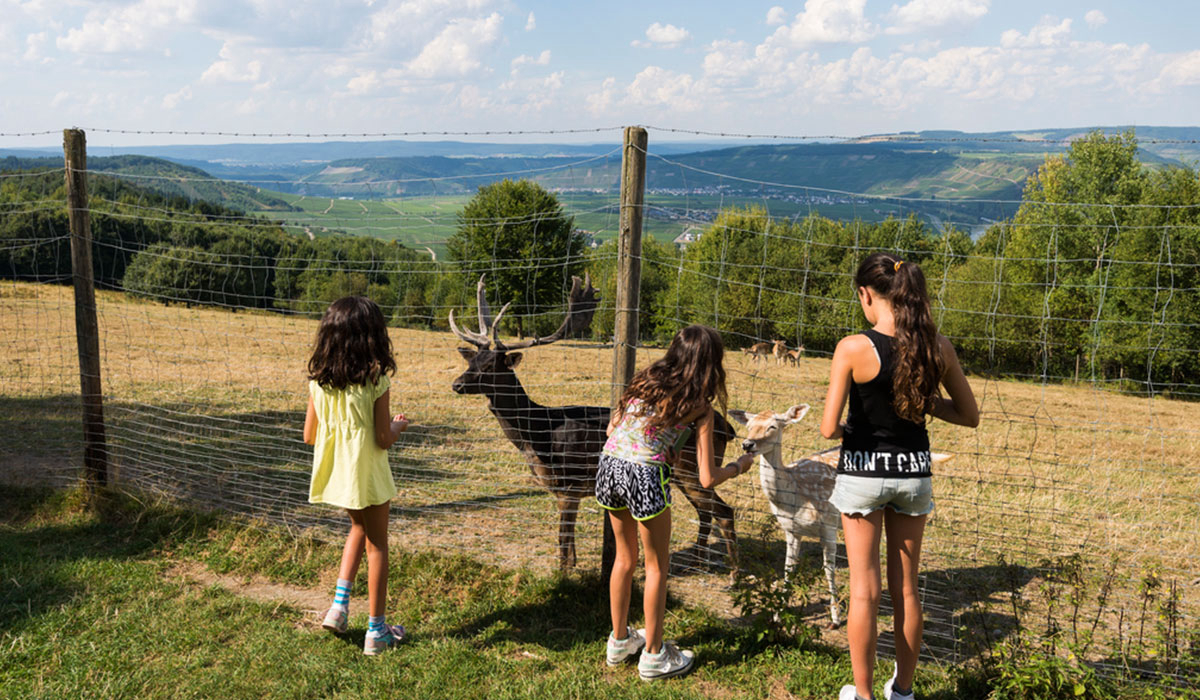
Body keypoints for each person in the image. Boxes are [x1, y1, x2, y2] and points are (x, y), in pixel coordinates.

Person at [820, 254, 979, 700]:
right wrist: (927, 404)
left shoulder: (853, 347)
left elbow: (830, 427)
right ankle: (904, 692)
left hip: (862, 475)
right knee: (906, 589)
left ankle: (865, 694)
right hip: (913, 474)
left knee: (863, 591)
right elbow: (969, 416)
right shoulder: (936, 346)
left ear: (867, 295)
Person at [596, 324, 756, 681]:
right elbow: (707, 479)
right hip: (643, 476)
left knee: (624, 559)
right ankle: (653, 656)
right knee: (656, 568)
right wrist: (738, 466)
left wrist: (656, 441)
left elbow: (612, 431)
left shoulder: (641, 382)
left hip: (608, 467)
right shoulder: (699, 407)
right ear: (711, 364)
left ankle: (619, 640)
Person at [303, 296, 411, 656]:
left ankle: (338, 608)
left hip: (339, 475)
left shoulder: (318, 382)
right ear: (372, 336)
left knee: (357, 528)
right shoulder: (376, 381)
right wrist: (398, 428)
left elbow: (309, 436)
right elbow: (382, 438)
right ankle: (376, 632)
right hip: (368, 475)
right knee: (378, 544)